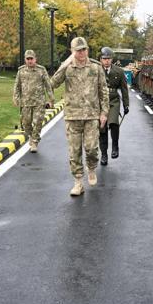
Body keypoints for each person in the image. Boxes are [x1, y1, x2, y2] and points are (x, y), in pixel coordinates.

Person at [50, 37, 109, 196]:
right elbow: (53, 83)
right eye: (78, 50)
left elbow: (103, 91)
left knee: (91, 148)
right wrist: (65, 64)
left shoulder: (96, 68)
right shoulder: (67, 68)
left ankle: (91, 167)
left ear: (87, 50)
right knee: (74, 151)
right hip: (72, 116)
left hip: (91, 116)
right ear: (72, 51)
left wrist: (104, 113)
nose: (81, 53)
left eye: (83, 49)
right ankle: (78, 182)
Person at [12, 49, 54, 153]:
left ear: (35, 59)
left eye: (32, 59)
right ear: (25, 60)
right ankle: (31, 136)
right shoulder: (21, 71)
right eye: (28, 59)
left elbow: (48, 85)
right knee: (26, 123)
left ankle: (35, 141)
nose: (30, 61)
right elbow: (17, 86)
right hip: (25, 102)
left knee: (38, 122)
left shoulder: (41, 70)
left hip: (39, 102)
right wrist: (16, 98)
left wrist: (51, 98)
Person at [99, 47, 129, 165]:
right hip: (100, 102)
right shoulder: (97, 71)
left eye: (108, 58)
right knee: (102, 128)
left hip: (113, 100)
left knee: (114, 123)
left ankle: (115, 147)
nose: (106, 61)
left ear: (112, 59)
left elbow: (124, 89)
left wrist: (126, 105)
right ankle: (104, 154)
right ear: (101, 59)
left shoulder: (119, 71)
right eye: (104, 58)